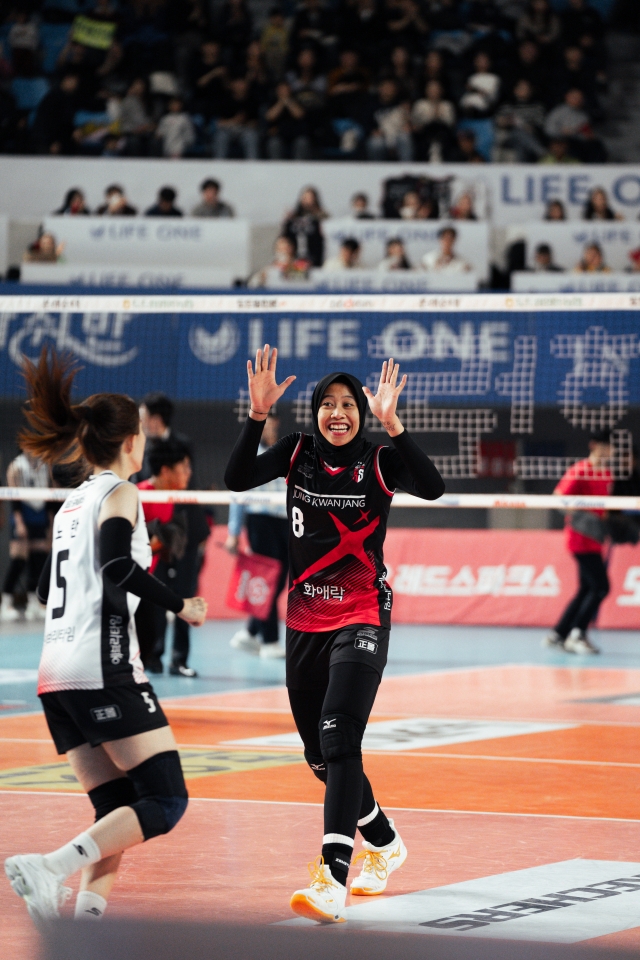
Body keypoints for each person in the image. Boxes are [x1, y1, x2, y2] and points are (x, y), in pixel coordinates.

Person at [225, 346, 444, 922]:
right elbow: (236, 479)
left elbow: (433, 485)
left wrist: (395, 426)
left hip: (363, 615)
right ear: (316, 410)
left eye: (349, 404)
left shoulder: (378, 460)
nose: (338, 413)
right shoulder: (295, 452)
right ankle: (388, 844)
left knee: (341, 734)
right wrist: (254, 417)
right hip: (303, 620)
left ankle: (332, 880)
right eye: (329, 403)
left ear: (362, 413)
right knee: (322, 757)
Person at [4, 348, 207, 925]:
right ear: (128, 442)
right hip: (103, 669)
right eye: (140, 434)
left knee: (118, 809)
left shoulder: (73, 503)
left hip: (55, 678)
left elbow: (47, 590)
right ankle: (49, 866)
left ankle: (88, 927)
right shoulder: (120, 493)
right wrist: (182, 605)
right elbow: (117, 566)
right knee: (167, 801)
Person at [225, 414, 288, 658]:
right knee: (266, 579)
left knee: (280, 579)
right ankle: (270, 641)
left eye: (273, 422)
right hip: (260, 522)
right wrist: (233, 533)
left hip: (283, 522)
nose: (271, 426)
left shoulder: (279, 453)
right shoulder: (249, 455)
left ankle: (250, 633)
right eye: (266, 422)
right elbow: (236, 495)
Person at [544, 430, 612, 655]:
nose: (607, 451)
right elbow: (558, 498)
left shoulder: (607, 475)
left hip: (596, 540)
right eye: (603, 447)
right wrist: (583, 518)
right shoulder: (581, 470)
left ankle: (559, 633)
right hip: (580, 538)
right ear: (594, 446)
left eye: (610, 448)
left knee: (586, 589)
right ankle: (577, 634)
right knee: (601, 587)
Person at [137, 438, 201, 677]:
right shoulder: (140, 495)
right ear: (165, 470)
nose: (189, 472)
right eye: (183, 467)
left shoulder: (170, 498)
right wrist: (158, 541)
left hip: (149, 576)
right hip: (131, 585)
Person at [1, 451, 51, 623]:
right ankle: (5, 603)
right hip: (23, 516)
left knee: (38, 560)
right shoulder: (16, 466)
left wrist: (50, 522)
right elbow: (14, 496)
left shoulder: (44, 465)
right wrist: (19, 521)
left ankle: (33, 603)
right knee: (19, 560)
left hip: (39, 516)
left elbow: (51, 495)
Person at [283, 187, 327, 267]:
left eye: (310, 198)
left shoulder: (321, 217)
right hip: (294, 260)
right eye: (305, 197)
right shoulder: (293, 218)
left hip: (315, 260)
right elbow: (285, 238)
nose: (307, 201)